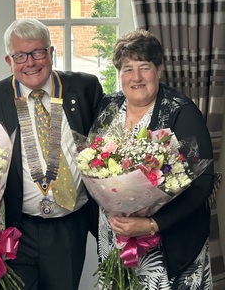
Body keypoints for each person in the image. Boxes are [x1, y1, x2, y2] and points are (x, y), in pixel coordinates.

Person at [0, 18, 104, 290]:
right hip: (16, 230)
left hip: (69, 227)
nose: (30, 62)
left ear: (51, 53)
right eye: (20, 55)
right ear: (9, 61)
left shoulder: (85, 88)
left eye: (38, 52)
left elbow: (104, 144)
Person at [91, 29, 214, 289]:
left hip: (168, 245)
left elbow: (203, 184)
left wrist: (151, 224)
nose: (136, 77)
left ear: (158, 69)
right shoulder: (108, 107)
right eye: (127, 69)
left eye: (144, 67)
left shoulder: (181, 112)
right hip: (116, 238)